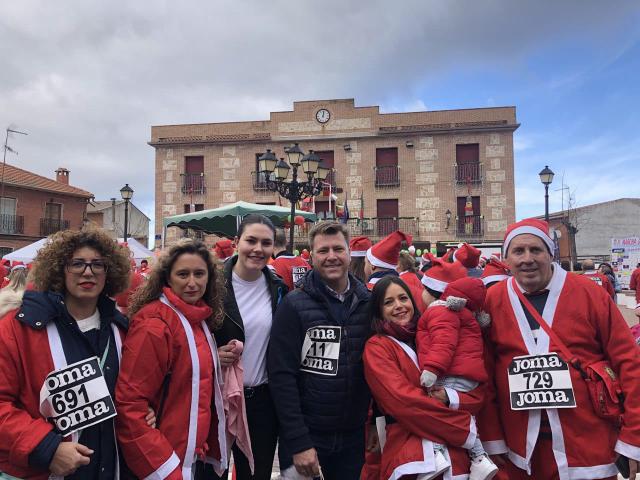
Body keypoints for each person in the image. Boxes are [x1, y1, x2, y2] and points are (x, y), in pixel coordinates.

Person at [480, 218, 640, 479]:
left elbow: (629, 362)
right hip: (521, 449)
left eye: (536, 250)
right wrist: (492, 437)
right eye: (518, 251)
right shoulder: (493, 300)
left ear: (550, 253)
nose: (527, 259)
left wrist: (634, 436)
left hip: (588, 444)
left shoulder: (589, 294)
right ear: (506, 258)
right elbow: (484, 374)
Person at [0, 228, 132, 479]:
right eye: (77, 264)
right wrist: (47, 448)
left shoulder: (122, 330)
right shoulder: (18, 329)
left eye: (97, 264)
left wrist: (147, 410)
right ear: (60, 269)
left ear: (109, 271)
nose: (88, 271)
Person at [116, 238, 228, 479]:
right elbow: (130, 405)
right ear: (167, 278)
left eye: (199, 274)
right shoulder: (154, 325)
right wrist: (163, 469)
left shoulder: (198, 318)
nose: (192, 283)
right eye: (183, 274)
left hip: (191, 456)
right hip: (166, 462)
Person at [268, 221, 371, 480]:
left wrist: (376, 428)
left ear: (349, 253)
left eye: (338, 249)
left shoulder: (369, 302)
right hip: (306, 438)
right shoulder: (293, 305)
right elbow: (282, 377)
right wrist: (299, 442)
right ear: (311, 256)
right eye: (323, 251)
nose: (332, 256)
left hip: (354, 438)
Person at [363, 275, 488, 479]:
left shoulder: (430, 335)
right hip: (409, 453)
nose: (399, 306)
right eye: (388, 302)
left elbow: (476, 394)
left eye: (403, 298)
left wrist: (449, 397)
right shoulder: (377, 346)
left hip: (457, 458)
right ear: (379, 311)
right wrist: (463, 426)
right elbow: (401, 401)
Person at [207, 214, 288, 480]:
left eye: (266, 243)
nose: (258, 249)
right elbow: (188, 334)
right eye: (251, 240)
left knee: (256, 475)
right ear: (236, 242)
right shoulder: (211, 285)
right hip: (217, 398)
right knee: (210, 473)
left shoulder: (279, 289)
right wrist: (210, 354)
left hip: (262, 402)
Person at [416, 276, 497, 479]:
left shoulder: (441, 310)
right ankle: (480, 459)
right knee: (463, 416)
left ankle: (436, 455)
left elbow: (444, 342)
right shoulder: (466, 316)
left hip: (448, 372)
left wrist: (432, 369)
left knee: (435, 411)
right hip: (468, 376)